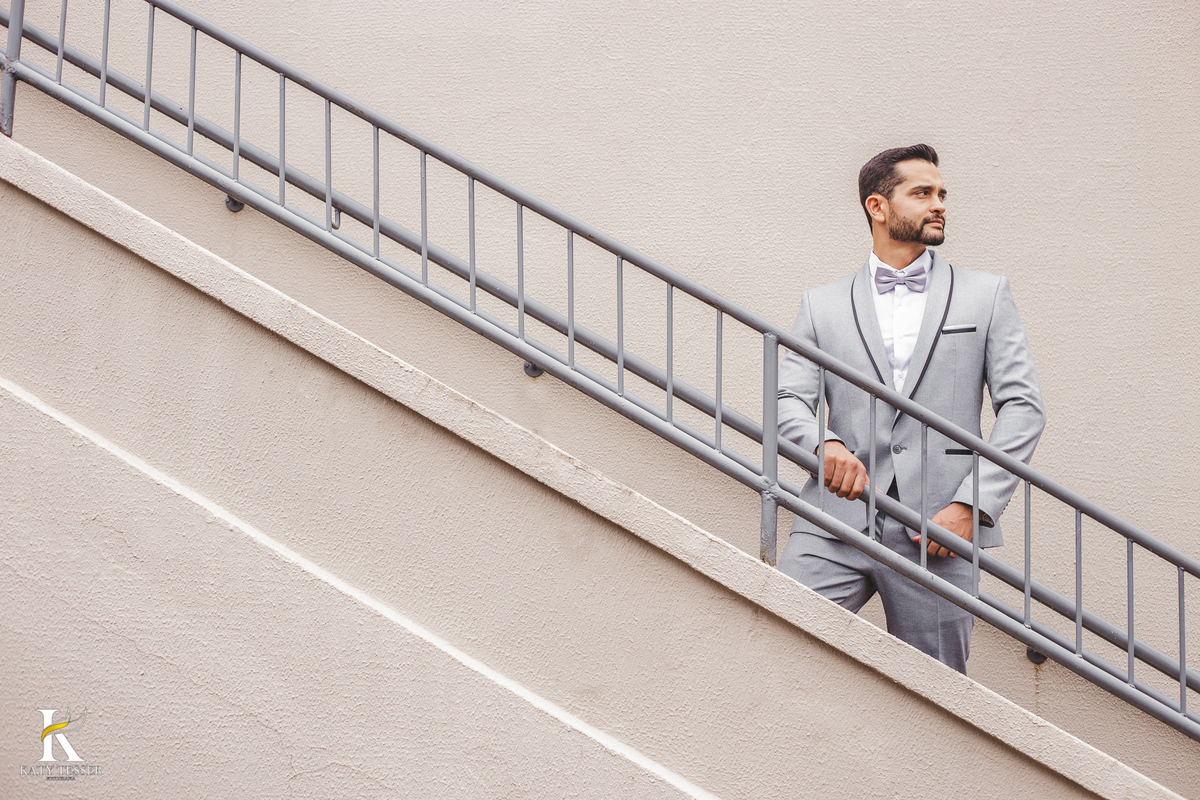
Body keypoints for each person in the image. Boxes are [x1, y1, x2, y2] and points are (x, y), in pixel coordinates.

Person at [776, 144, 1045, 673]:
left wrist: (973, 505)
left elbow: (1023, 407)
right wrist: (823, 443)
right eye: (921, 193)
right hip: (834, 521)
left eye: (942, 194)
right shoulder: (821, 304)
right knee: (781, 648)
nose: (938, 204)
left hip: (938, 531)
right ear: (878, 207)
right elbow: (788, 399)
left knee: (938, 692)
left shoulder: (986, 296)